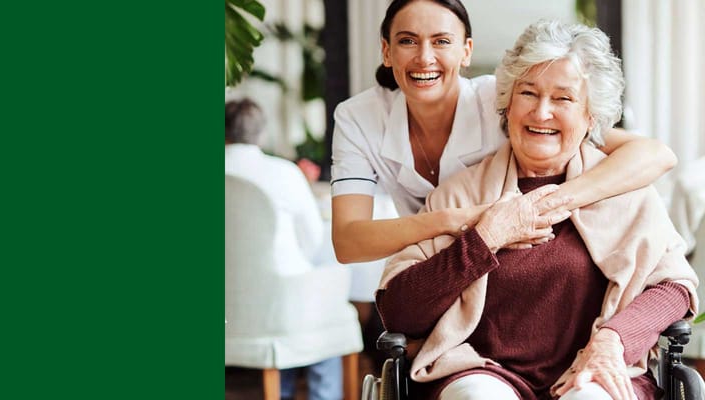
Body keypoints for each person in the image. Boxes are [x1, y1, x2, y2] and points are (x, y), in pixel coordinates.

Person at [375, 20, 699, 400]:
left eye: (563, 99)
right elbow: (399, 312)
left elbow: (674, 287)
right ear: (508, 104)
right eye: (528, 93)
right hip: (479, 370)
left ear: (591, 116)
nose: (541, 113)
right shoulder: (459, 195)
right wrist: (485, 238)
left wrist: (615, 340)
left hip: (595, 369)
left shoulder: (624, 190)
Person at [329, 0, 677, 265]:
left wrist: (555, 202)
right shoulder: (358, 118)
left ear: (466, 51)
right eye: (408, 41)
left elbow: (656, 154)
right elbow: (347, 243)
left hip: (509, 258)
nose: (424, 57)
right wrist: (459, 219)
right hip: (430, 263)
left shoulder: (502, 99)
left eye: (442, 41)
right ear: (387, 51)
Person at [225, 98, 344, 400]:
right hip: (277, 309)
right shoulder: (284, 172)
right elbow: (313, 241)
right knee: (320, 314)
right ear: (261, 134)